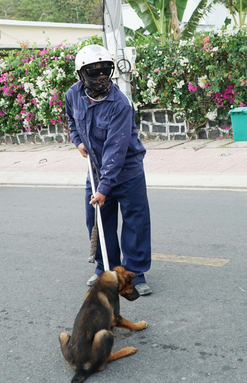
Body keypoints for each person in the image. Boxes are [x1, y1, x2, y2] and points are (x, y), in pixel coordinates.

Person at [66, 44, 152, 296]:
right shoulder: (73, 94)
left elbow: (116, 150)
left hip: (127, 172)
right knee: (97, 221)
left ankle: (135, 274)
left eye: (105, 70)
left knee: (135, 223)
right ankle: (107, 269)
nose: (101, 76)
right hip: (96, 169)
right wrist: (77, 141)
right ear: (81, 74)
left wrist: (104, 189)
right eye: (94, 72)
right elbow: (71, 119)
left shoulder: (120, 104)